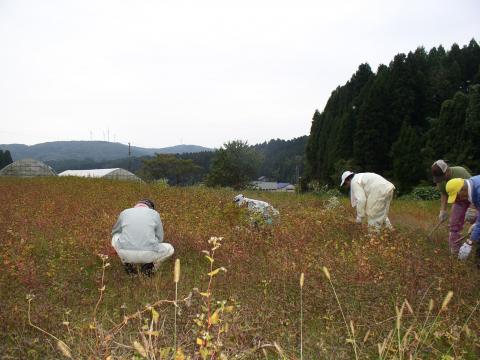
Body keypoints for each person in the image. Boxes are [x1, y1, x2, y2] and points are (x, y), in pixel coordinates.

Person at [111, 199, 174, 276]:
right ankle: (149, 269)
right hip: (148, 255)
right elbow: (160, 238)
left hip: (125, 253)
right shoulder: (155, 214)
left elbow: (115, 232)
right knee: (170, 248)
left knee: (115, 237)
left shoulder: (124, 212)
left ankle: (127, 264)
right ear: (151, 208)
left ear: (136, 205)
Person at [431, 160, 477, 254]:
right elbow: (444, 194)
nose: (441, 180)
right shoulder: (440, 180)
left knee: (476, 224)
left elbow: (474, 190)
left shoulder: (460, 172)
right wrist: (442, 211)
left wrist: (472, 209)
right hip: (458, 201)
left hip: (473, 199)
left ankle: (474, 248)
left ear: (447, 170)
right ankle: (455, 251)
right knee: (454, 224)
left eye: (442, 177)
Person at [446, 177, 480, 266]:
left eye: (457, 196)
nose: (457, 200)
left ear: (462, 190)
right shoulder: (471, 185)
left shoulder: (478, 191)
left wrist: (469, 242)